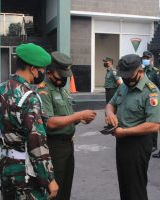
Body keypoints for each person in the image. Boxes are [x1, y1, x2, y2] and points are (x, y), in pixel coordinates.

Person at [0, 43, 59, 199]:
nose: (42, 74)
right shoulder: (29, 97)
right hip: (26, 172)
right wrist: (49, 179)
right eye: (42, 70)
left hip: (6, 165)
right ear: (33, 69)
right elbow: (36, 141)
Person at [37, 52, 97, 200]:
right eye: (61, 75)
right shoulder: (43, 91)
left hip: (68, 145)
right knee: (54, 190)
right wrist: (78, 115)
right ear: (49, 72)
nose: (64, 79)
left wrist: (81, 119)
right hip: (54, 146)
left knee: (65, 188)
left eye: (66, 76)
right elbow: (50, 122)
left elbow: (67, 116)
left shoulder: (62, 90)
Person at [105, 54, 160, 200]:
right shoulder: (124, 87)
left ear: (140, 72)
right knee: (124, 184)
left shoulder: (151, 92)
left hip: (138, 144)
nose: (125, 79)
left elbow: (154, 125)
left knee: (135, 188)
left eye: (128, 76)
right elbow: (111, 104)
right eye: (123, 76)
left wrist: (124, 132)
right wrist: (110, 113)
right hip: (122, 140)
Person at [142, 50, 159, 151]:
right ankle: (145, 141)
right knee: (143, 120)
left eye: (147, 58)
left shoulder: (155, 71)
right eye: (144, 58)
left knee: (152, 121)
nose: (145, 60)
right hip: (143, 98)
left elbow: (159, 86)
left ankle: (153, 144)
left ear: (151, 59)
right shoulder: (141, 70)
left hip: (153, 99)